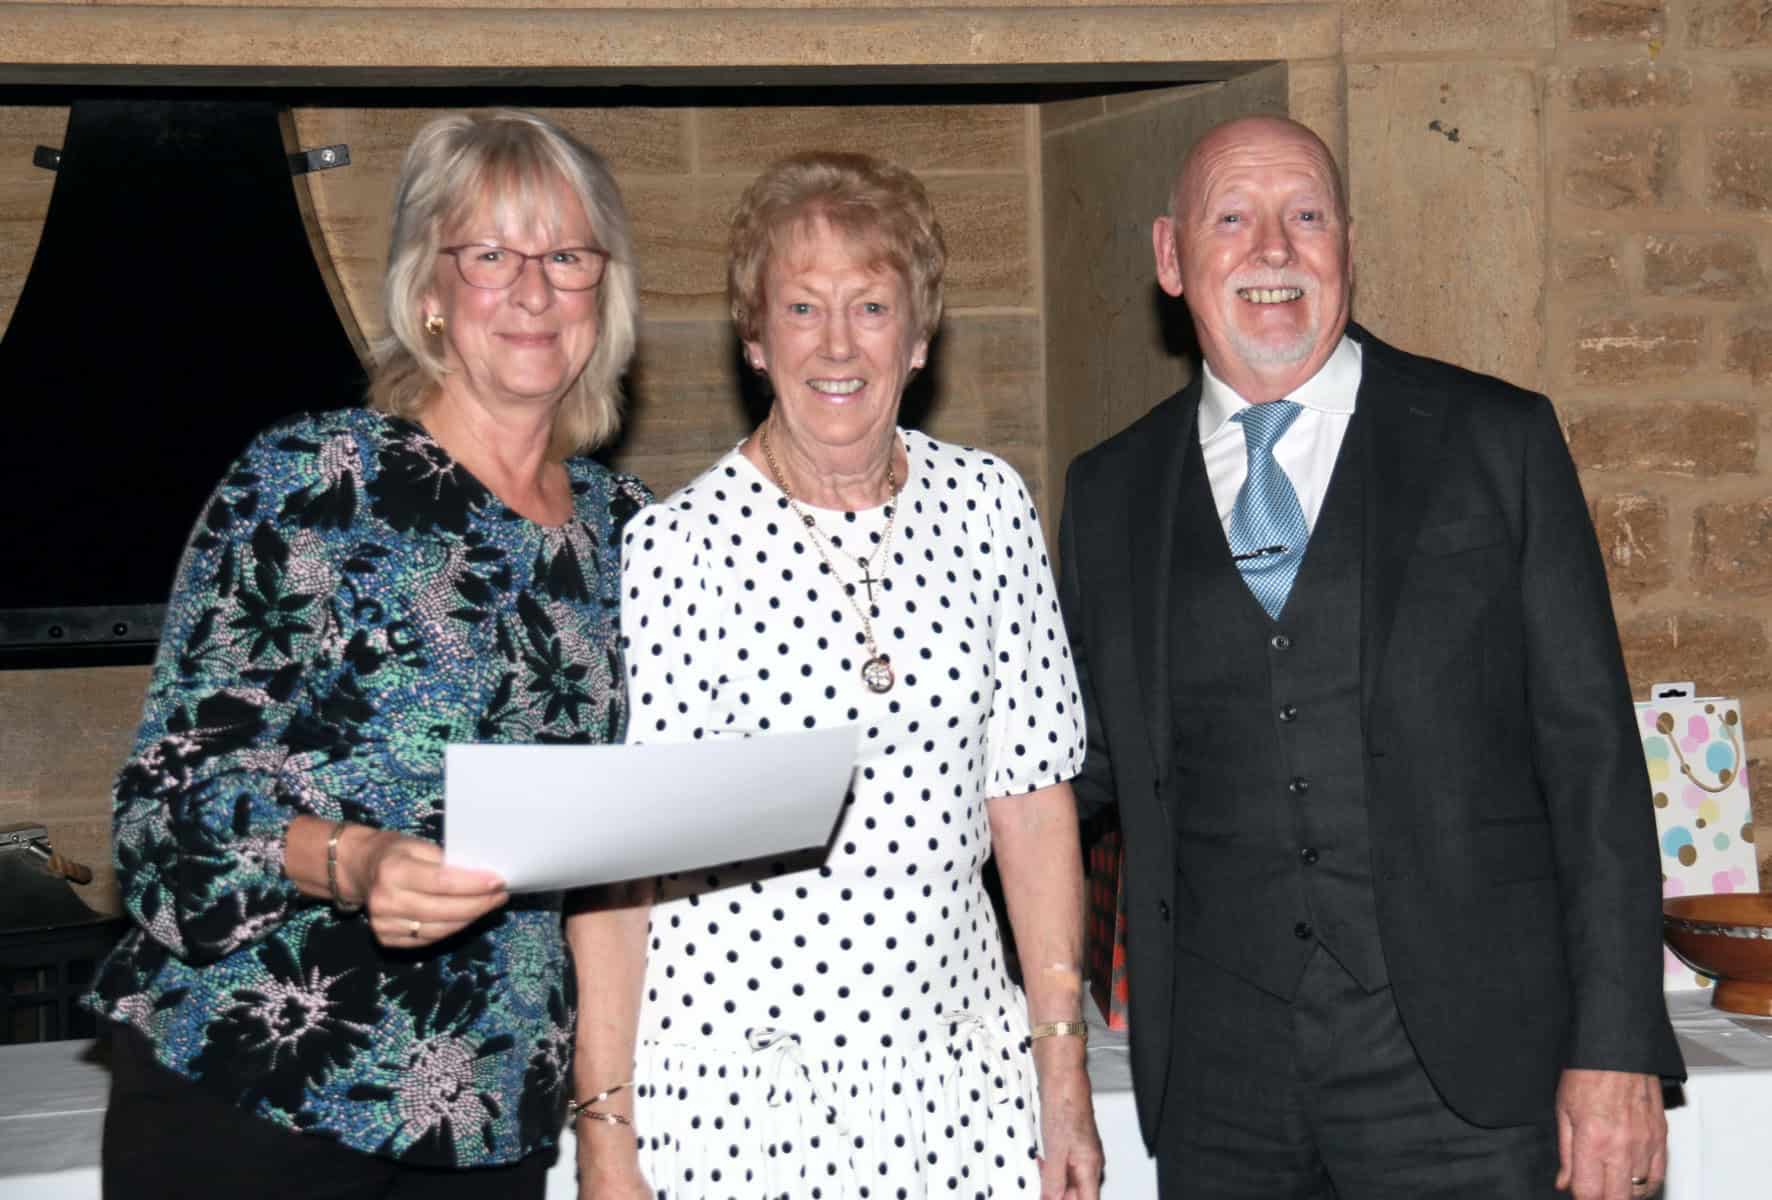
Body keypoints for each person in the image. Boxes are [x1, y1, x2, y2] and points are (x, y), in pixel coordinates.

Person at [1057, 115, 1683, 1200]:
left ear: (1346, 244)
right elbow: (1068, 764)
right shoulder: (1109, 490)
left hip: (1465, 1075)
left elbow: (1593, 765)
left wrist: (1616, 1046)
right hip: (1218, 1087)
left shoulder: (1494, 440)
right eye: (1231, 218)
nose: (1272, 249)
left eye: (1304, 215)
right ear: (1169, 256)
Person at [84, 108, 650, 1199]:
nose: (534, 292)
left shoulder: (627, 528)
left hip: (492, 1113)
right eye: (490, 255)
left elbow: (627, 854)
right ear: (428, 290)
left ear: (604, 293)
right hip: (259, 1093)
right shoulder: (313, 480)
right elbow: (163, 821)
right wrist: (355, 861)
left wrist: (604, 1121)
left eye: (567, 257)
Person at [572, 151, 1104, 1200]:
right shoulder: (675, 550)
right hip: (741, 1100)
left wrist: (1062, 1072)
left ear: (918, 337)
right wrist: (605, 1135)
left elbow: (1032, 803)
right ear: (755, 339)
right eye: (802, 307)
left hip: (957, 1089)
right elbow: (622, 875)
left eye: (870, 306)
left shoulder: (989, 508)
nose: (836, 343)